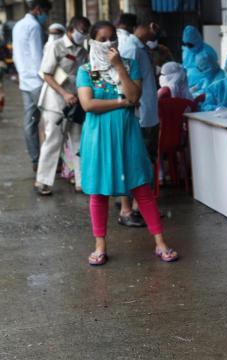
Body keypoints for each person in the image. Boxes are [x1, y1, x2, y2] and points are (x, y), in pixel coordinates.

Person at [77, 21, 178, 265]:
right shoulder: (86, 70)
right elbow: (88, 105)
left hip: (127, 134)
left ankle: (160, 242)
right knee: (99, 193)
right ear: (92, 41)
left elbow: (134, 96)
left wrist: (119, 66)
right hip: (97, 138)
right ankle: (100, 245)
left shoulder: (130, 65)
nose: (108, 43)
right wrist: (121, 103)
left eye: (112, 38)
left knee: (141, 188)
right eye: (102, 39)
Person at [34, 16, 90, 195]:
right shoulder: (55, 46)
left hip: (76, 100)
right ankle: (43, 182)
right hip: (55, 102)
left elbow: (87, 72)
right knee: (53, 140)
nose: (83, 34)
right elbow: (46, 74)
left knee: (78, 141)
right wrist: (64, 94)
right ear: (71, 29)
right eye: (81, 30)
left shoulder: (83, 50)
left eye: (86, 31)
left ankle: (82, 182)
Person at [118, 16, 161, 228]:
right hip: (139, 115)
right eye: (153, 27)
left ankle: (139, 208)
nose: (156, 32)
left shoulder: (141, 48)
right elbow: (123, 79)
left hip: (149, 114)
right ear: (144, 26)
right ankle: (127, 210)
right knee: (134, 163)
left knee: (145, 163)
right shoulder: (131, 48)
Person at [12, 0, 51, 172]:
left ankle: (36, 159)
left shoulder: (18, 25)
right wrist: (46, 80)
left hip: (25, 81)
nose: (45, 16)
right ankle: (51, 161)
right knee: (52, 120)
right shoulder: (34, 27)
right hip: (37, 81)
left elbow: (16, 54)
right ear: (37, 9)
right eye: (45, 12)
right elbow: (37, 57)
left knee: (30, 122)